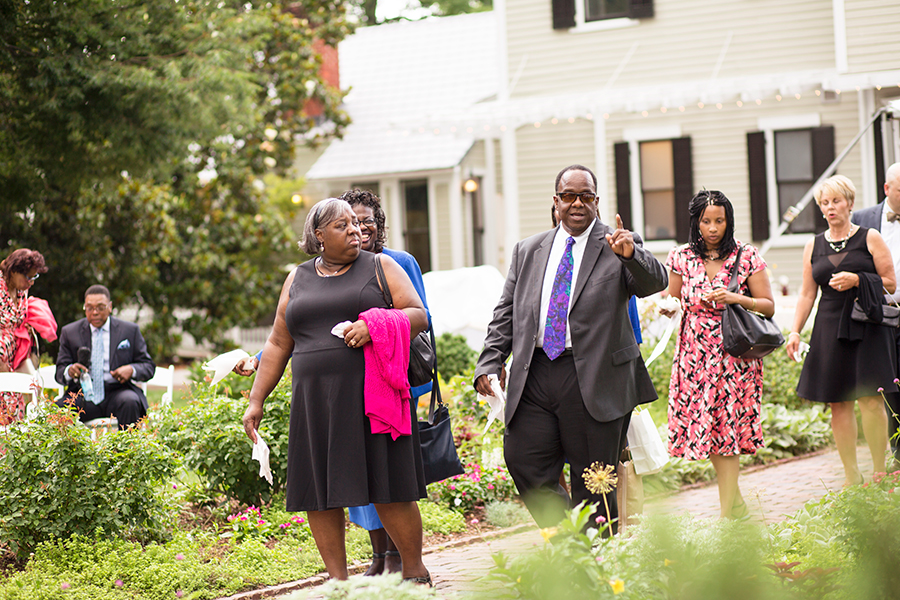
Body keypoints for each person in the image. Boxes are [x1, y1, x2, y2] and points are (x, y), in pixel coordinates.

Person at [241, 198, 431, 583]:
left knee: (389, 487)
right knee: (319, 492)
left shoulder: (380, 266)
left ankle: (414, 572)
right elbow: (279, 342)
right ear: (319, 236)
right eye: (343, 226)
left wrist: (374, 326)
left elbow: (418, 314)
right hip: (315, 404)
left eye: (356, 225)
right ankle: (338, 583)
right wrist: (256, 399)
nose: (356, 231)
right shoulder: (297, 278)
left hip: (371, 399)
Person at [474, 164, 668, 531]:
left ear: (597, 201)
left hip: (594, 376)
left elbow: (653, 282)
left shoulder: (618, 243)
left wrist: (631, 255)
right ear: (556, 201)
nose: (577, 203)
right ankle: (572, 541)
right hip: (536, 373)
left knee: (595, 480)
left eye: (586, 196)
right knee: (522, 459)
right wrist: (491, 359)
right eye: (568, 196)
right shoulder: (528, 250)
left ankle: (599, 564)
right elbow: (507, 310)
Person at [661, 190, 775, 519]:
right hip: (694, 355)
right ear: (695, 222)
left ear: (729, 221)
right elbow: (672, 299)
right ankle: (735, 504)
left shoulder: (747, 255)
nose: (713, 228)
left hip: (734, 355)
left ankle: (728, 513)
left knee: (727, 429)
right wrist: (668, 308)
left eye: (719, 221)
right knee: (708, 428)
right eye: (706, 221)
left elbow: (767, 306)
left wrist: (735, 298)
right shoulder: (679, 257)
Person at [786, 175, 896, 485]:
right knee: (838, 402)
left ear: (849, 202)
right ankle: (851, 474)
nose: (830, 207)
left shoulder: (869, 237)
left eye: (836, 201)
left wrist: (859, 279)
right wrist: (795, 331)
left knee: (871, 399)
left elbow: (890, 283)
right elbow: (807, 294)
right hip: (829, 327)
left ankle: (878, 469)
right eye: (824, 203)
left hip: (866, 326)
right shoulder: (814, 245)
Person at [851, 162, 900, 465]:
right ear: (887, 189)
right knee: (888, 386)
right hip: (880, 316)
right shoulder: (861, 220)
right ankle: (896, 455)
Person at [55, 285, 156, 429]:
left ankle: (128, 450)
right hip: (83, 395)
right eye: (89, 308)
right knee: (58, 411)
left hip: (117, 392)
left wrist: (131, 370)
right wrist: (70, 370)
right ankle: (70, 451)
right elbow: (59, 372)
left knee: (130, 401)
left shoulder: (129, 330)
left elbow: (148, 366)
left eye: (100, 307)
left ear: (110, 307)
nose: (95, 312)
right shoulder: (70, 332)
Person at [0, 249, 48, 424]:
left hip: (14, 357)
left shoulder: (21, 291)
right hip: (1, 360)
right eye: (28, 277)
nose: (31, 282)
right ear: (13, 271)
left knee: (20, 407)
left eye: (34, 277)